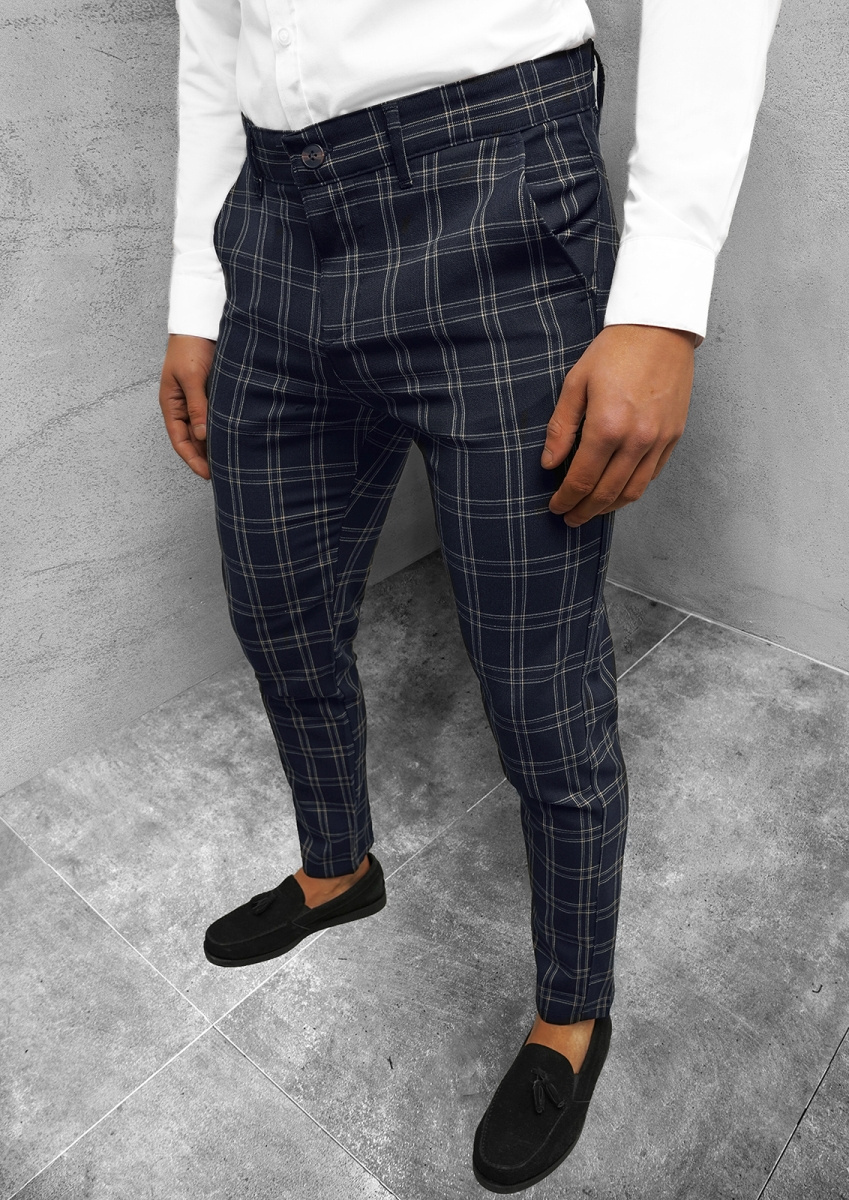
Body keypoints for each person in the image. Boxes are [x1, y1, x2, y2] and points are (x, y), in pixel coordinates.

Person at [158, 1, 782, 1191]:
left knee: (537, 683)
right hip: (273, 222)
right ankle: (338, 868)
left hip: (495, 190)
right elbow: (210, 30)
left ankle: (571, 1011)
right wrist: (197, 292)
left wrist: (662, 293)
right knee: (277, 603)